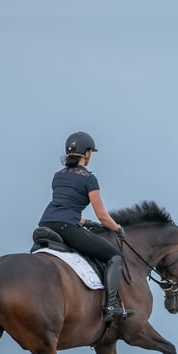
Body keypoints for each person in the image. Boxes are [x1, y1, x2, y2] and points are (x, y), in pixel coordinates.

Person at [38, 131, 134, 323]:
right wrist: (117, 228)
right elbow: (102, 215)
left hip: (46, 224)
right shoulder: (89, 178)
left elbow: (64, 206)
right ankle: (110, 306)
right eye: (91, 152)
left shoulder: (58, 176)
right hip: (66, 227)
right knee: (115, 257)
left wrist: (86, 223)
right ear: (87, 153)